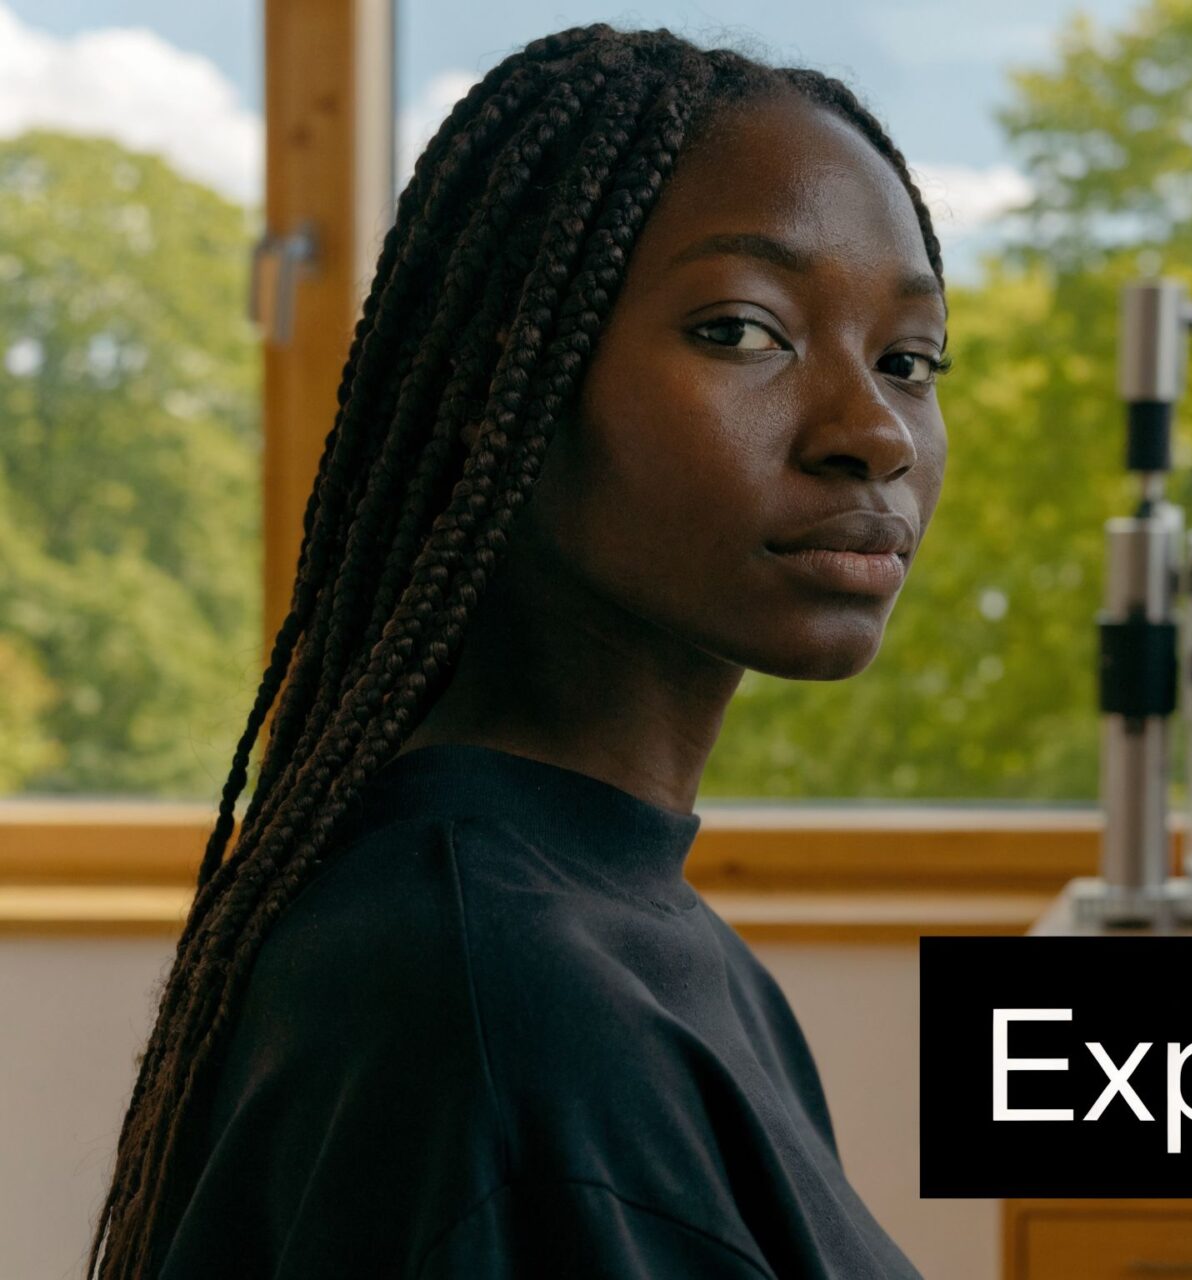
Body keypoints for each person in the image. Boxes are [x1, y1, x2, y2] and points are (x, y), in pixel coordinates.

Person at [85, 25, 946, 1278]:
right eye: (740, 331)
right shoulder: (507, 1014)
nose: (874, 431)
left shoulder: (633, 942)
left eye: (908, 360)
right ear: (511, 381)